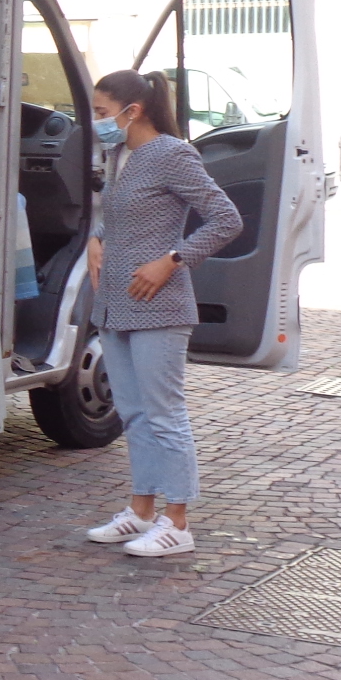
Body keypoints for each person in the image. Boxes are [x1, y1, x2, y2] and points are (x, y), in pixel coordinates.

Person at [80, 68, 244, 559]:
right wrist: (96, 237)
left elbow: (227, 219)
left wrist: (173, 260)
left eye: (102, 112)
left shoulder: (171, 154)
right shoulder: (118, 155)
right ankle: (141, 510)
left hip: (159, 307)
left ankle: (178, 521)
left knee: (164, 414)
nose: (96, 121)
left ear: (133, 112)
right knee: (133, 413)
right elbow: (116, 215)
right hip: (114, 304)